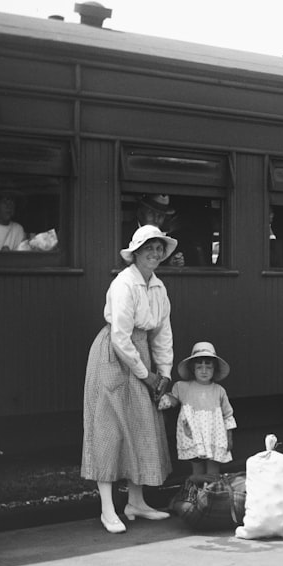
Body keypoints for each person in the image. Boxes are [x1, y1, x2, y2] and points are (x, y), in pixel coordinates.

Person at [81, 225, 177, 533]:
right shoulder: (124, 284)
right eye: (148, 248)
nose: (155, 253)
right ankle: (108, 510)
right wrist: (146, 375)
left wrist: (163, 374)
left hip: (141, 356)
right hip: (113, 355)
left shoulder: (158, 288)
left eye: (159, 248)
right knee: (109, 429)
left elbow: (162, 334)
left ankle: (136, 503)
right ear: (135, 253)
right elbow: (121, 338)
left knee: (142, 426)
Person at [158, 341, 237, 477]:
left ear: (215, 369)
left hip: (215, 436)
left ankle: (211, 494)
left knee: (213, 469)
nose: (204, 371)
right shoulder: (182, 387)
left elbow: (228, 415)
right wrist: (159, 397)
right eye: (199, 367)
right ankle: (197, 495)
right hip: (193, 435)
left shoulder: (219, 391)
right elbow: (171, 400)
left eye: (208, 367)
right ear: (192, 369)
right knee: (197, 469)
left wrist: (229, 438)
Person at [130, 194, 185, 266]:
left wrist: (171, 264)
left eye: (160, 216)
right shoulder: (121, 234)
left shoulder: (168, 239)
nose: (156, 220)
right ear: (140, 213)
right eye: (151, 213)